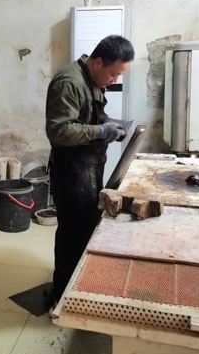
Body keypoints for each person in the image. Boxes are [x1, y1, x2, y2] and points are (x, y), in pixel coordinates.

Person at [45, 34, 135, 305]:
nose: (114, 80)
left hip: (88, 167)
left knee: (87, 226)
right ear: (97, 62)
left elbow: (91, 116)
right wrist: (102, 131)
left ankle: (77, 284)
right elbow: (59, 131)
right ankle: (62, 295)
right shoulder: (69, 82)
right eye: (113, 74)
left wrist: (111, 124)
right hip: (70, 170)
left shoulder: (94, 80)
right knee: (72, 232)